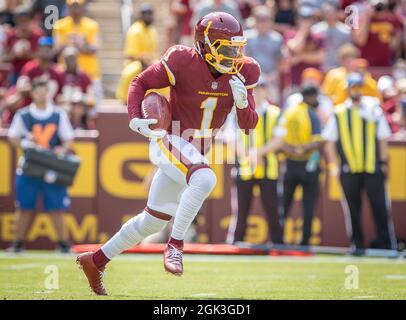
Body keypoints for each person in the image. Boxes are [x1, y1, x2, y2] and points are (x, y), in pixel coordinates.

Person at [76, 12, 260, 295]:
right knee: (205, 180)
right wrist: (134, 116)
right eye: (227, 49)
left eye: (238, 48)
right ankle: (175, 245)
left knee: (151, 220)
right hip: (170, 139)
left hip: (194, 151)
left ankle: (96, 260)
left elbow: (248, 126)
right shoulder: (181, 60)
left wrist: (243, 102)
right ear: (205, 45)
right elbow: (140, 82)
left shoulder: (245, 71)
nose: (235, 56)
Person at [323, 72, 397, 255]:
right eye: (353, 87)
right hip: (349, 168)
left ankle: (386, 244)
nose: (356, 91)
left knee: (380, 206)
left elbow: (382, 138)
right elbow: (329, 141)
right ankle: (357, 245)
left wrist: (383, 162)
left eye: (359, 87)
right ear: (348, 89)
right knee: (352, 208)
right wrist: (334, 165)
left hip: (372, 167)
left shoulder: (373, 109)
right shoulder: (340, 112)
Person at [6, 77, 75, 253]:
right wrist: (24, 142)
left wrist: (62, 149)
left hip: (52, 167)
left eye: (44, 91)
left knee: (57, 208)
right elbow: (13, 138)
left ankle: (63, 243)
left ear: (48, 93)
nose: (41, 95)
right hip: (29, 167)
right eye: (38, 92)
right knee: (24, 207)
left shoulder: (58, 114)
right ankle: (18, 243)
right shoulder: (23, 115)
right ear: (33, 93)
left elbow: (68, 140)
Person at [227, 77, 285, 245]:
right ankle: (236, 243)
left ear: (266, 90)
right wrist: (248, 155)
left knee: (273, 210)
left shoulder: (275, 112)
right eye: (254, 88)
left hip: (268, 169)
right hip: (244, 169)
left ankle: (278, 244)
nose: (257, 92)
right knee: (240, 211)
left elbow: (280, 138)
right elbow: (231, 139)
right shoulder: (237, 111)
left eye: (261, 88)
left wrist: (259, 153)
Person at [280, 84, 323, 247]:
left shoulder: (288, 113)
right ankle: (305, 242)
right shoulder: (312, 114)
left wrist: (292, 150)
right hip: (308, 165)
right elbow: (318, 141)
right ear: (310, 97)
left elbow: (280, 139)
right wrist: (301, 149)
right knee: (308, 207)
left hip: (290, 164)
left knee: (284, 205)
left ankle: (279, 240)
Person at [53, 0, 102, 102]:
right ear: (68, 8)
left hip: (90, 73)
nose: (75, 10)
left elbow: (95, 48)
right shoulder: (59, 25)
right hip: (67, 76)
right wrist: (69, 42)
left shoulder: (92, 25)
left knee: (93, 107)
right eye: (72, 7)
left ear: (83, 7)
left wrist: (80, 45)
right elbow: (56, 49)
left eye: (78, 7)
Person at [245, 5, 283, 104]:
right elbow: (244, 58)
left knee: (273, 108)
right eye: (261, 19)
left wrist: (271, 77)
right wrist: (256, 77)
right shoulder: (247, 37)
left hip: (271, 80)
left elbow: (280, 62)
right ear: (255, 21)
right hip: (251, 81)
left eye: (267, 19)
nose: (265, 23)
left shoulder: (277, 38)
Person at [2, 7, 42, 84]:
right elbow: (3, 57)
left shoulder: (38, 35)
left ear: (30, 21)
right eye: (20, 21)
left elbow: (43, 57)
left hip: (33, 72)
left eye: (26, 21)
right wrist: (15, 54)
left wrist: (28, 53)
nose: (23, 24)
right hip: (15, 72)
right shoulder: (10, 35)